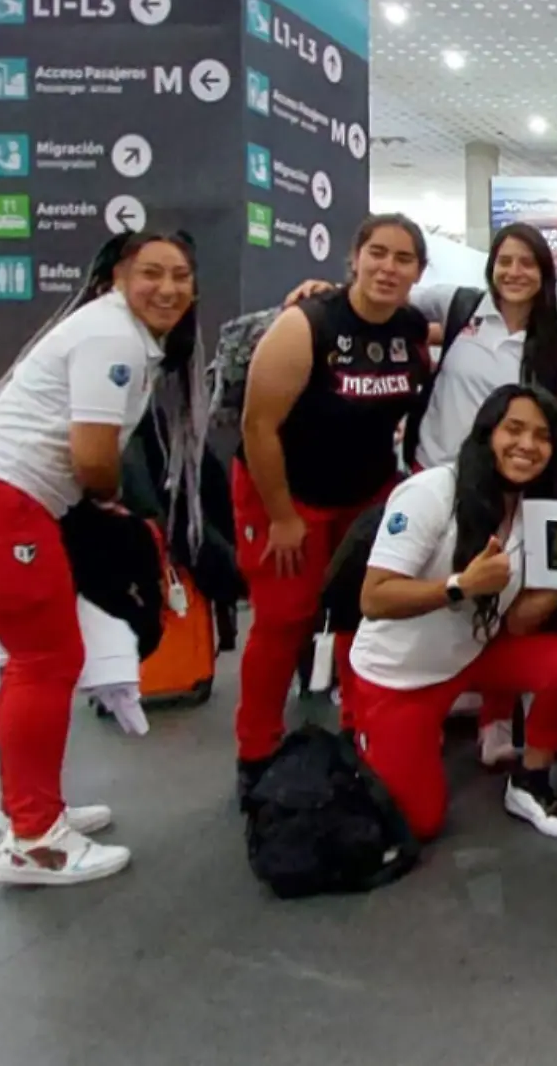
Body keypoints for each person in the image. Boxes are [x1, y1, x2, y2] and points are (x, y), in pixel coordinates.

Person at [0, 231, 201, 886]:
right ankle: (34, 841)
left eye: (181, 275)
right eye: (150, 273)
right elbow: (95, 457)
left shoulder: (111, 331)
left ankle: (20, 812)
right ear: (115, 279)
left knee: (35, 659)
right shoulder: (113, 340)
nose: (168, 288)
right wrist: (107, 503)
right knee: (45, 660)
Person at [234, 214, 433, 793]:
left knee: (361, 615)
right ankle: (256, 751)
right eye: (378, 253)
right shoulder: (307, 324)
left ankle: (358, 730)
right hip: (286, 494)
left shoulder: (413, 329)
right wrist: (282, 517)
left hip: (365, 493)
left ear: (419, 271)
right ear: (355, 257)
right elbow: (258, 425)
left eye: (403, 259)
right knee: (283, 621)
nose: (388, 267)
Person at [348, 385, 557, 841]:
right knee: (418, 822)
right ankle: (369, 740)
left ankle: (530, 780)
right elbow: (373, 598)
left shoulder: (539, 507)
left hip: (473, 655)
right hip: (402, 676)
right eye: (514, 429)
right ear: (486, 433)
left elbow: (516, 624)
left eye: (542, 436)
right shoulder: (432, 491)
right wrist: (459, 586)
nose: (528, 446)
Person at [282, 223, 557, 470]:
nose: (514, 272)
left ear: (543, 272)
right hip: (430, 467)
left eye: (527, 263)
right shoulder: (460, 305)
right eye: (504, 261)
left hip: (498, 483)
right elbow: (384, 296)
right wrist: (331, 292)